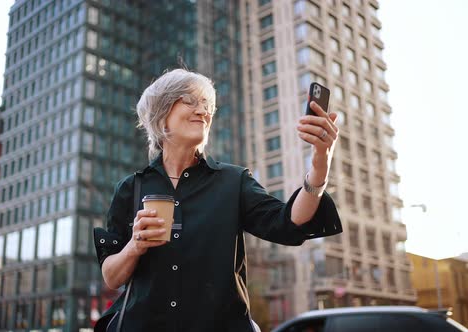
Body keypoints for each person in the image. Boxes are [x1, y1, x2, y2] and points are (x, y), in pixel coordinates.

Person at [93, 69, 342, 331]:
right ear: (161, 114)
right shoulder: (130, 188)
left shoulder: (233, 181)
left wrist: (320, 163)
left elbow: (288, 222)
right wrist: (134, 246)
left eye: (207, 105)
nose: (203, 111)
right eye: (190, 101)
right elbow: (111, 276)